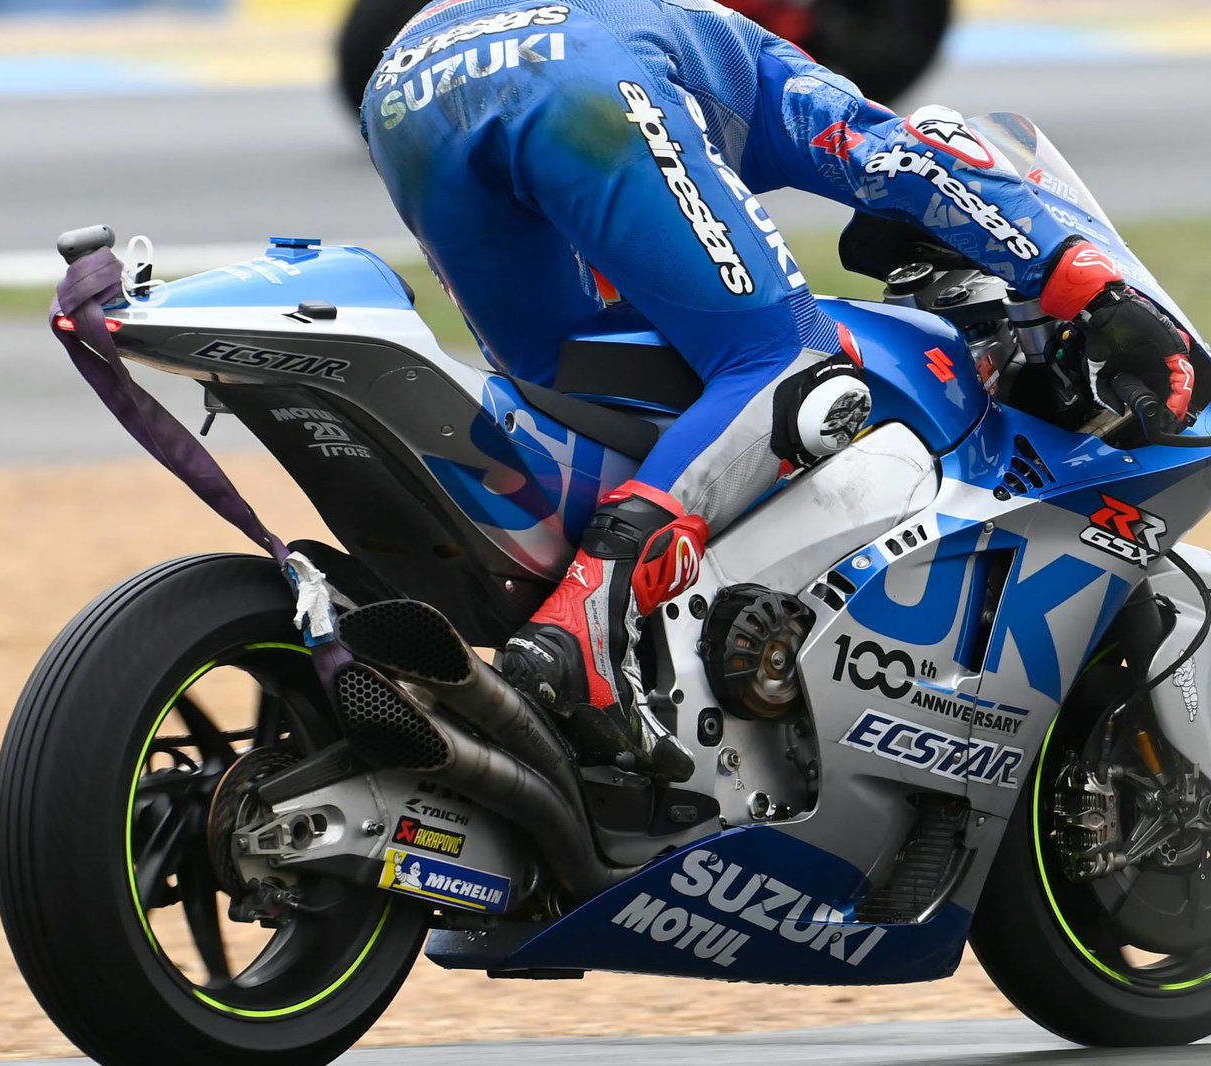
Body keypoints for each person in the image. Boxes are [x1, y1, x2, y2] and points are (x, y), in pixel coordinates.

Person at [361, 0, 1196, 776]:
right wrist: (1092, 288)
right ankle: (577, 637)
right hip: (574, 73)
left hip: (405, 81)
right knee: (791, 360)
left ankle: (566, 682)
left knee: (582, 391)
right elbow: (904, 162)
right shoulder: (765, 66)